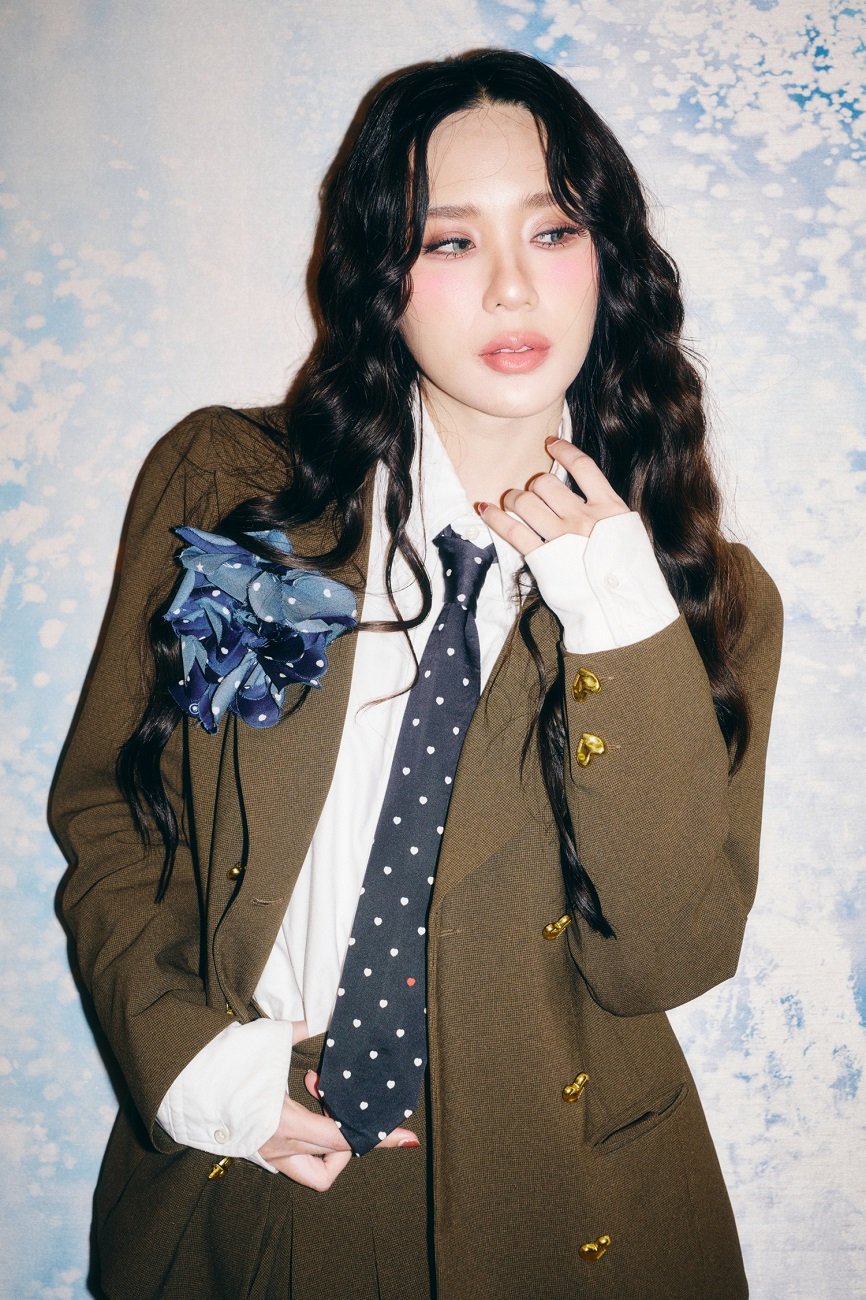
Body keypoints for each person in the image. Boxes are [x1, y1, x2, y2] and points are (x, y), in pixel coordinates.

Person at [50, 48, 782, 1300]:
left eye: (551, 229)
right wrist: (189, 1060)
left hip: (563, 1203)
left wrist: (616, 620)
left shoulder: (700, 598)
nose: (510, 285)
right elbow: (111, 809)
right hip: (255, 1172)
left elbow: (660, 959)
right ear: (377, 275)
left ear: (606, 258)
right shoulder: (231, 488)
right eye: (448, 241)